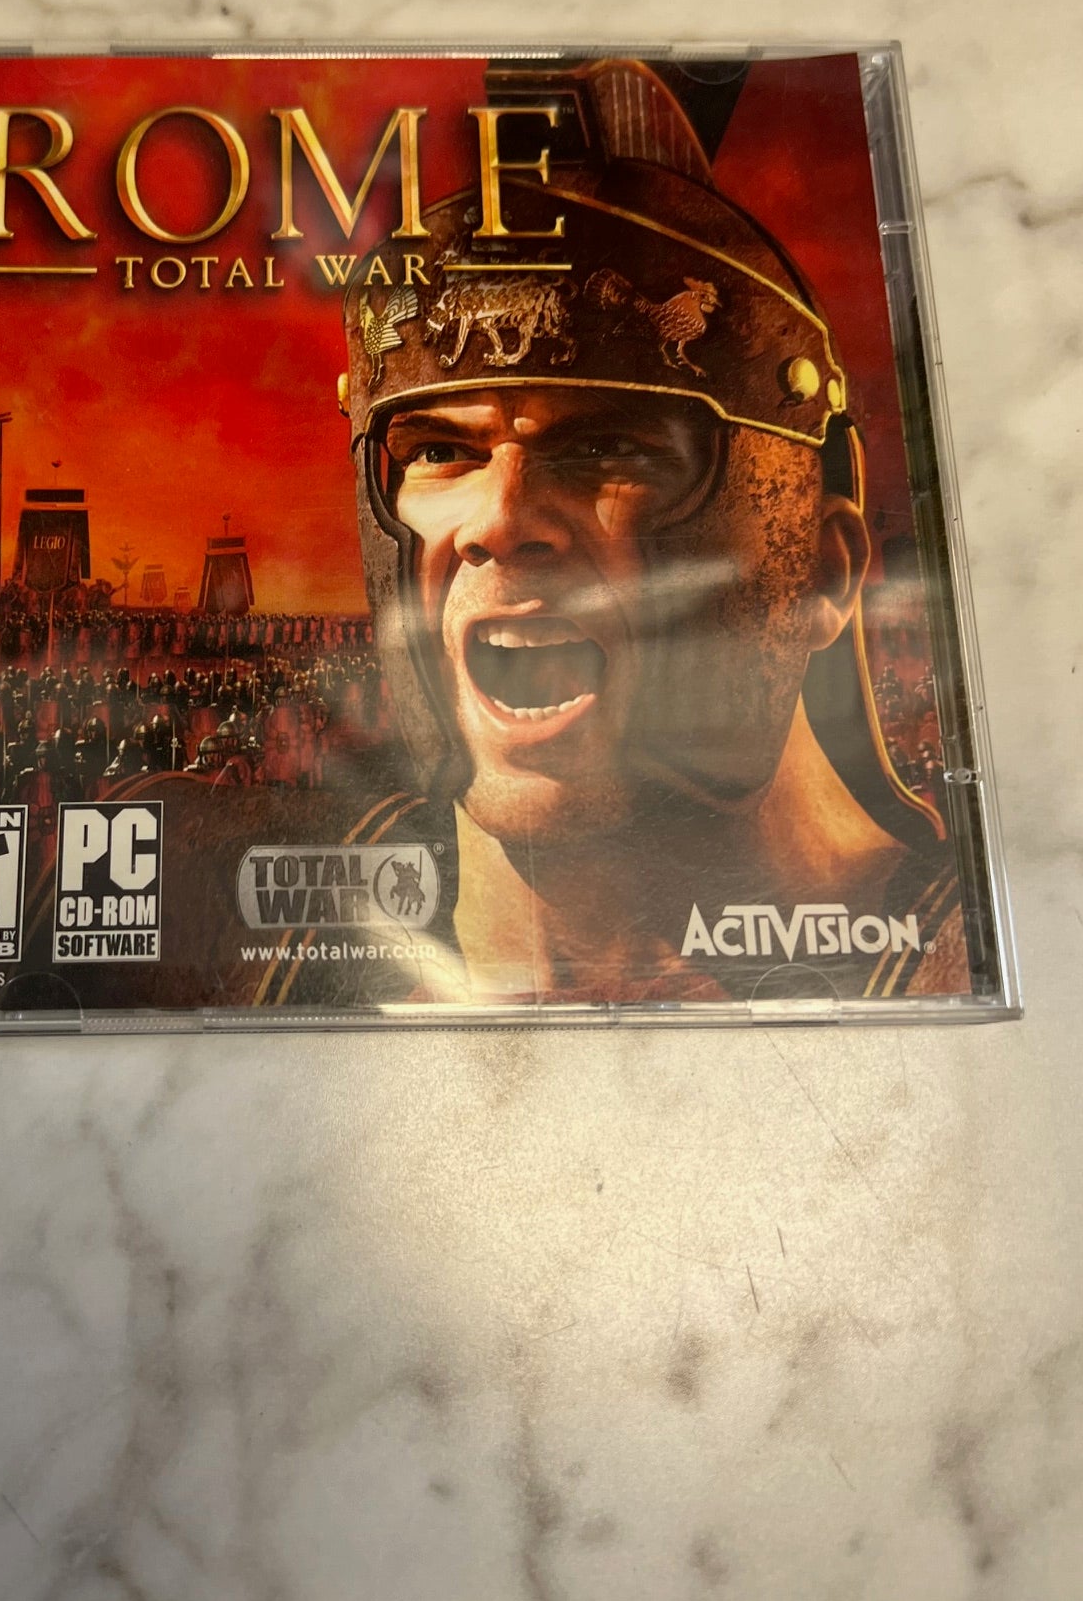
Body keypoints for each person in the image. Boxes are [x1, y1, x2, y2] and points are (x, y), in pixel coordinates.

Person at [331, 59, 967, 1004]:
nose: (498, 523)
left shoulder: (946, 969)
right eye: (440, 451)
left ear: (822, 576)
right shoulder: (265, 924)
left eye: (608, 448)